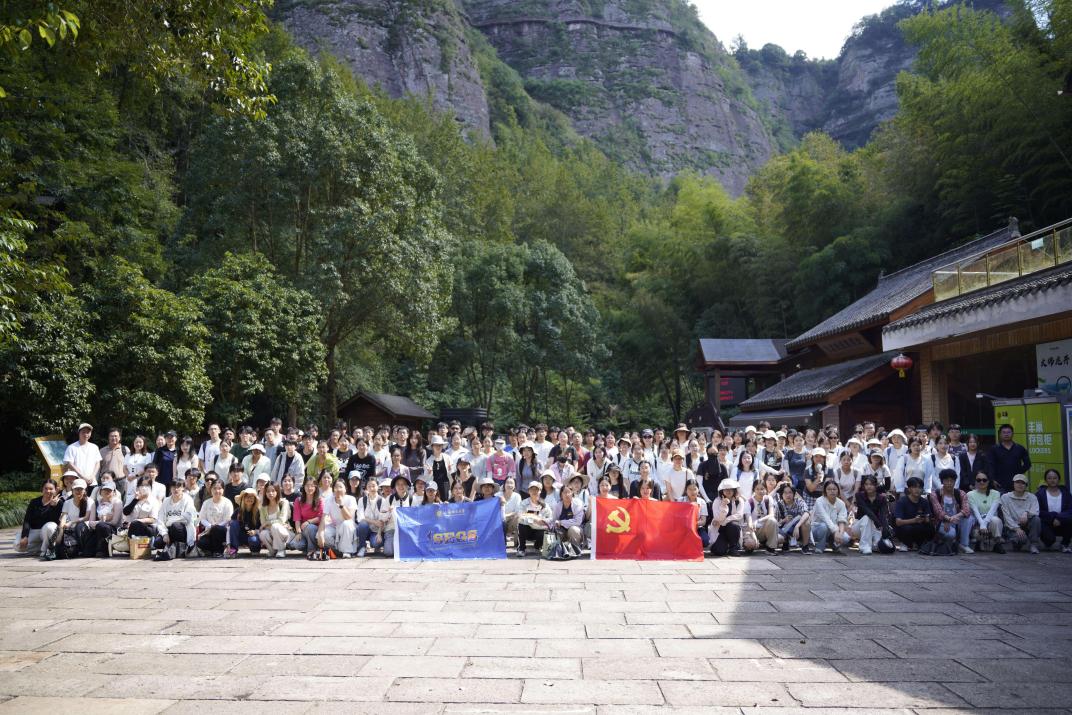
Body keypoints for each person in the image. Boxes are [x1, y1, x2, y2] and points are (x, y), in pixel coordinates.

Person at [929, 468, 973, 554]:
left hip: (956, 520)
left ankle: (964, 544)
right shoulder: (935, 494)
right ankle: (948, 541)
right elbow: (938, 512)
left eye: (951, 481)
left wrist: (954, 517)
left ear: (955, 481)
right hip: (942, 522)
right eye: (946, 480)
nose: (949, 483)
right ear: (942, 481)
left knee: (969, 518)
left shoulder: (960, 493)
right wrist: (948, 519)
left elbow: (966, 510)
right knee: (951, 535)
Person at [16, 480, 62, 557]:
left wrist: (53, 507)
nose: (48, 491)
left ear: (55, 490)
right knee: (17, 545)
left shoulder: (59, 502)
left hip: (49, 532)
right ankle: (41, 547)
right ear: (42, 489)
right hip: (36, 531)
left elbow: (56, 521)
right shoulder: (34, 502)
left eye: (51, 489)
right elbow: (27, 520)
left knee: (50, 527)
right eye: (46, 488)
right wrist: (25, 536)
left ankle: (45, 550)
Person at [1000, 474, 1042, 554]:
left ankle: (1034, 544)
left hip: (1027, 524)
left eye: (1023, 483)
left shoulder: (1032, 497)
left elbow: (1036, 512)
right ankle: (1016, 543)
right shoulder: (1005, 497)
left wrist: (1026, 513)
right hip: (1012, 527)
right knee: (1022, 539)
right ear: (1013, 484)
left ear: (1026, 485)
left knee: (1036, 519)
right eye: (1017, 482)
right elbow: (1006, 517)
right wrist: (1017, 529)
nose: (1020, 485)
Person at [156, 481, 197, 560]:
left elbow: (187, 519)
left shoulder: (188, 500)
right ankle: (172, 550)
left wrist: (170, 522)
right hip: (169, 529)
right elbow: (160, 519)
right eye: (173, 487)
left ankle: (179, 549)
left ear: (183, 488)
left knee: (176, 526)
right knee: (157, 542)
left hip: (183, 530)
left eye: (178, 487)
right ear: (170, 488)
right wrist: (164, 534)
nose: (176, 489)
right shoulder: (166, 501)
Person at [710, 478, 751, 556]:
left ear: (734, 490)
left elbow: (739, 515)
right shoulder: (717, 501)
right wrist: (723, 506)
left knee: (733, 525)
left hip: (733, 528)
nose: (728, 491)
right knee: (719, 551)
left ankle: (733, 548)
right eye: (726, 489)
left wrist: (725, 521)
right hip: (720, 529)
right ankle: (723, 545)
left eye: (731, 489)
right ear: (722, 490)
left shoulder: (739, 501)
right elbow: (718, 518)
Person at [893, 476, 935, 551]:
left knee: (930, 528)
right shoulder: (902, 501)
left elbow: (928, 518)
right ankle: (905, 543)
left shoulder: (924, 502)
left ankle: (920, 544)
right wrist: (914, 520)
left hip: (918, 526)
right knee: (907, 529)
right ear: (909, 489)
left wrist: (926, 519)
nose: (917, 490)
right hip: (905, 527)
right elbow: (898, 522)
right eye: (914, 487)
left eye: (920, 487)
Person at [852, 475, 891, 555]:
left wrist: (885, 528)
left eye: (871, 484)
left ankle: (872, 544)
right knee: (867, 518)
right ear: (863, 486)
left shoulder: (882, 498)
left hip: (875, 527)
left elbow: (883, 515)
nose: (868, 486)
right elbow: (867, 511)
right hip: (859, 526)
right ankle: (864, 546)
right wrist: (879, 524)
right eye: (866, 484)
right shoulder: (859, 495)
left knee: (882, 545)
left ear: (876, 485)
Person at [968, 472, 1005, 553]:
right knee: (970, 522)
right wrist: (982, 524)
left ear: (988, 481)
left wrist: (984, 524)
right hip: (977, 524)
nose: (981, 482)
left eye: (984, 480)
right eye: (979, 480)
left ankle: (997, 543)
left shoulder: (996, 493)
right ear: (975, 481)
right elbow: (975, 511)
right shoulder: (970, 494)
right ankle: (978, 542)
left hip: (991, 522)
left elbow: (992, 511)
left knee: (996, 520)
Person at [811, 480, 851, 554]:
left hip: (833, 528)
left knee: (845, 538)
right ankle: (820, 547)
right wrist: (836, 531)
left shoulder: (841, 503)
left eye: (834, 489)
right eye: (829, 489)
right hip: (817, 528)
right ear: (825, 491)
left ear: (838, 491)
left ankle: (834, 545)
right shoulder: (819, 501)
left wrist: (841, 533)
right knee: (824, 526)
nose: (832, 491)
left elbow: (842, 520)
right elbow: (825, 518)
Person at [1037, 468, 1072, 552]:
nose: (1052, 480)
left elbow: (1070, 509)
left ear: (1059, 479)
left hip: (1062, 521)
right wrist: (1053, 516)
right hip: (1046, 522)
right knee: (1049, 540)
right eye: (1049, 478)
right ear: (1046, 480)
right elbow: (1038, 510)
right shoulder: (1040, 494)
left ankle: (1064, 544)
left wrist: (1059, 518)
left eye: (1055, 478)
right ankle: (1048, 541)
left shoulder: (1066, 493)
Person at [988, 423, 1031, 493]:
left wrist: (1019, 472)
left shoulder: (1020, 448)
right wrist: (992, 479)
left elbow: (1028, 464)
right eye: (1004, 432)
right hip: (1000, 484)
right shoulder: (994, 449)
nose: (1006, 434)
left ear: (1013, 434)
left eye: (1008, 432)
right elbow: (990, 465)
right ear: (1000, 434)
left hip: (1016, 483)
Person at [196, 480, 234, 557]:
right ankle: (214, 550)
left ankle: (218, 551)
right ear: (211, 489)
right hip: (209, 531)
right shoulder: (206, 503)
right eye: (214, 488)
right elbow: (202, 518)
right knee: (201, 543)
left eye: (219, 488)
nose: (217, 491)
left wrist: (215, 527)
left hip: (223, 531)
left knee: (217, 529)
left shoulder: (227, 502)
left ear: (223, 490)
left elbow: (228, 519)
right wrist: (210, 526)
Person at [86, 480, 123, 557]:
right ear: (100, 492)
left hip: (113, 531)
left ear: (114, 492)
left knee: (102, 526)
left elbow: (114, 522)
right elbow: (90, 523)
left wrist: (102, 521)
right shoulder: (95, 503)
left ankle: (103, 551)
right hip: (97, 530)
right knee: (87, 552)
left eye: (109, 490)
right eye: (105, 490)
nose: (107, 492)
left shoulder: (117, 503)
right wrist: (102, 521)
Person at [323, 478, 359, 558]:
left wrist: (341, 505)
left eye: (340, 487)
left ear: (345, 489)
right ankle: (337, 549)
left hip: (349, 527)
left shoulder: (351, 499)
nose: (338, 489)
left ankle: (346, 551)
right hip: (335, 526)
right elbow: (323, 516)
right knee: (324, 533)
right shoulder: (329, 499)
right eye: (336, 487)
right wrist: (320, 533)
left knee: (346, 524)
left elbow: (349, 518)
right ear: (333, 489)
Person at [356, 478, 391, 557]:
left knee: (375, 543)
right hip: (364, 529)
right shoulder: (362, 500)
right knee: (362, 524)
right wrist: (374, 522)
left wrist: (379, 534)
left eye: (374, 486)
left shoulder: (382, 500)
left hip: (376, 531)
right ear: (366, 488)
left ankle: (377, 546)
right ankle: (362, 547)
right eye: (369, 486)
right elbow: (360, 517)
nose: (372, 488)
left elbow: (383, 519)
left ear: (378, 487)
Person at [774, 482, 813, 553]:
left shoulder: (799, 502)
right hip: (785, 529)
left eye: (790, 492)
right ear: (781, 494)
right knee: (777, 539)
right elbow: (775, 523)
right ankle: (785, 541)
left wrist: (797, 526)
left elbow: (806, 513)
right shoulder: (778, 505)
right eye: (785, 493)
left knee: (806, 522)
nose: (788, 495)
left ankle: (805, 546)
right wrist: (784, 520)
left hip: (799, 530)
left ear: (794, 494)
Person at [290, 477, 323, 558]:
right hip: (304, 530)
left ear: (316, 487)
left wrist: (309, 522)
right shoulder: (298, 500)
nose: (309, 488)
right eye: (307, 485)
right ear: (304, 487)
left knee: (310, 527)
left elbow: (321, 517)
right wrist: (298, 532)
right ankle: (309, 547)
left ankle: (312, 550)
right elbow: (297, 518)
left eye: (312, 486)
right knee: (296, 544)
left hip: (317, 529)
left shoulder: (320, 500)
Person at [517, 481, 552, 557]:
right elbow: (520, 517)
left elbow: (550, 518)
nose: (534, 491)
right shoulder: (523, 503)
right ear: (528, 491)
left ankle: (538, 546)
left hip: (539, 529)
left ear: (540, 491)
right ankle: (521, 549)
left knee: (544, 532)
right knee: (521, 526)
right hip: (527, 530)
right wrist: (533, 520)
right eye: (532, 489)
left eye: (536, 489)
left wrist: (543, 520)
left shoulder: (545, 505)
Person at [227, 488, 262, 557]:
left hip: (253, 537)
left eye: (252, 497)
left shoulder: (258, 512)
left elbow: (262, 527)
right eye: (247, 497)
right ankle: (233, 548)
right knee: (233, 523)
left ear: (255, 499)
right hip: (241, 536)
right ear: (243, 498)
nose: (249, 499)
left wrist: (255, 531)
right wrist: (228, 544)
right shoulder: (238, 511)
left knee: (253, 540)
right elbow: (231, 526)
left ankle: (255, 549)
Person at [550, 484, 585, 551]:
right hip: (562, 531)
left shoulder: (578, 504)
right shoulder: (557, 506)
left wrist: (561, 522)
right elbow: (554, 520)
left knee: (573, 529)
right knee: (555, 530)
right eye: (565, 492)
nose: (567, 494)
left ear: (572, 493)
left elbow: (577, 522)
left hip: (576, 531)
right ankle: (559, 550)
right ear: (561, 495)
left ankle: (575, 550)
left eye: (569, 492)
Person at [681, 479, 711, 548]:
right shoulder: (681, 500)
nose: (692, 492)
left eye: (694, 489)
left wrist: (693, 524)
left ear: (698, 490)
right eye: (690, 489)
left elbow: (703, 521)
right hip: (684, 528)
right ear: (686, 490)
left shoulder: (702, 502)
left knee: (705, 541)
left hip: (697, 527)